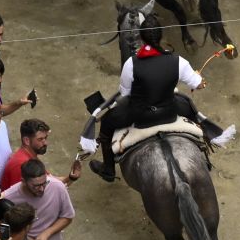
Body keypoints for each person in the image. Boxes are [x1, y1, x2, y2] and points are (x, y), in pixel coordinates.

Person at [88, 24, 231, 182]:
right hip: (169, 112)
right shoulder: (179, 61)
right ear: (161, 37)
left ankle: (108, 169)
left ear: (141, 38)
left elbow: (125, 93)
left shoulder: (131, 63)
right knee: (192, 111)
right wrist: (199, 78)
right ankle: (204, 158)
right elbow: (199, 85)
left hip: (138, 115)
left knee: (107, 122)